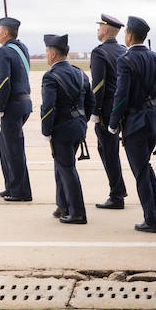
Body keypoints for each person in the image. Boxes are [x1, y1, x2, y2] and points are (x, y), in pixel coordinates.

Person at [109, 15, 156, 233]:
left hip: (135, 123)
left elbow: (121, 95)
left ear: (130, 35)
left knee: (140, 171)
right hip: (153, 119)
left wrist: (114, 122)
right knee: (145, 165)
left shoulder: (125, 60)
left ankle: (150, 219)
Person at [39, 33, 95, 224]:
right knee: (62, 166)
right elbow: (91, 102)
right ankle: (62, 205)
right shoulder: (80, 73)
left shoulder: (51, 76)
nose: (46, 55)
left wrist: (46, 130)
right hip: (78, 127)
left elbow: (48, 107)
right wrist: (81, 121)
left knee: (66, 168)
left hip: (61, 129)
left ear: (53, 54)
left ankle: (77, 212)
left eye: (47, 51)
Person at [89, 13, 128, 209]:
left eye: (99, 27)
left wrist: (94, 111)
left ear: (105, 30)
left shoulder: (99, 53)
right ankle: (119, 189)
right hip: (124, 108)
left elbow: (98, 86)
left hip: (106, 110)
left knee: (108, 150)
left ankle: (117, 194)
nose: (98, 31)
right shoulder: (123, 50)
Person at [0, 16, 33, 202]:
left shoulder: (3, 52)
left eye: (0, 30)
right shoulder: (21, 48)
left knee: (13, 149)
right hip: (24, 103)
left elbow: (3, 82)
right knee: (5, 146)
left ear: (6, 32)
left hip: (12, 105)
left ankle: (20, 191)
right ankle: (11, 184)